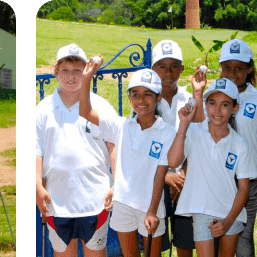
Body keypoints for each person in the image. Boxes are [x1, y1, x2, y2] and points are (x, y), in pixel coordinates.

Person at [192, 39, 257, 257]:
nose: (232, 73)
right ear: (220, 68)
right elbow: (196, 132)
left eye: (239, 68)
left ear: (249, 69)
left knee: (242, 242)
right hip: (213, 181)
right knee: (212, 239)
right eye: (226, 67)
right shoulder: (211, 96)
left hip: (246, 182)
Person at [79, 67, 175, 257]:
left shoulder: (167, 132)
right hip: (123, 203)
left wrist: (152, 211)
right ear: (130, 98)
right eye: (135, 95)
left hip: (151, 207)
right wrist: (86, 78)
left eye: (147, 94)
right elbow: (85, 111)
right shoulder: (120, 125)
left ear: (158, 98)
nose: (141, 100)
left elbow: (160, 174)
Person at [36, 42, 118, 257]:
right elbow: (37, 151)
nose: (71, 77)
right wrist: (37, 185)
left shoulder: (101, 106)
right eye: (64, 70)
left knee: (96, 252)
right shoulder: (43, 109)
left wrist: (116, 183)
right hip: (57, 201)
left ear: (86, 72)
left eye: (77, 71)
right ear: (55, 72)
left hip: (95, 199)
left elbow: (113, 147)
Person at [169, 78, 254, 257]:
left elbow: (244, 189)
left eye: (225, 105)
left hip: (231, 213)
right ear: (205, 105)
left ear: (234, 108)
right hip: (202, 209)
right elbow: (173, 162)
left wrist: (228, 221)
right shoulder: (193, 131)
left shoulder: (240, 144)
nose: (217, 110)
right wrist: (184, 124)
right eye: (212, 103)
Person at [150, 39, 195, 257]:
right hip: (155, 181)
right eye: (162, 67)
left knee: (184, 242)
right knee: (156, 242)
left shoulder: (190, 100)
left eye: (174, 66)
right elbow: (141, 146)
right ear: (153, 69)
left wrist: (183, 173)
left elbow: (196, 141)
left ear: (182, 69)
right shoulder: (145, 100)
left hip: (185, 181)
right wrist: (165, 176)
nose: (168, 73)